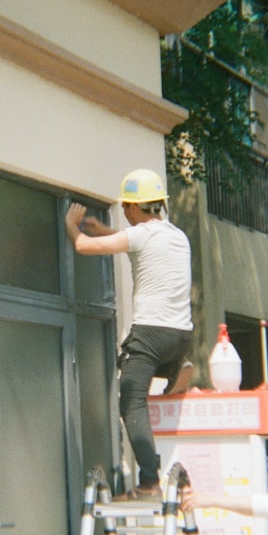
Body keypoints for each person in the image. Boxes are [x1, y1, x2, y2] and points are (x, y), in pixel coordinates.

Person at [65, 168, 194, 500]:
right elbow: (137, 245)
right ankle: (176, 368)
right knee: (154, 368)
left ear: (136, 208)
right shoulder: (177, 236)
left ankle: (149, 481)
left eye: (125, 207)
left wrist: (72, 225)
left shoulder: (140, 236)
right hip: (180, 335)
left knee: (131, 402)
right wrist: (105, 229)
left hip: (150, 334)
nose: (123, 212)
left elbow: (83, 246)